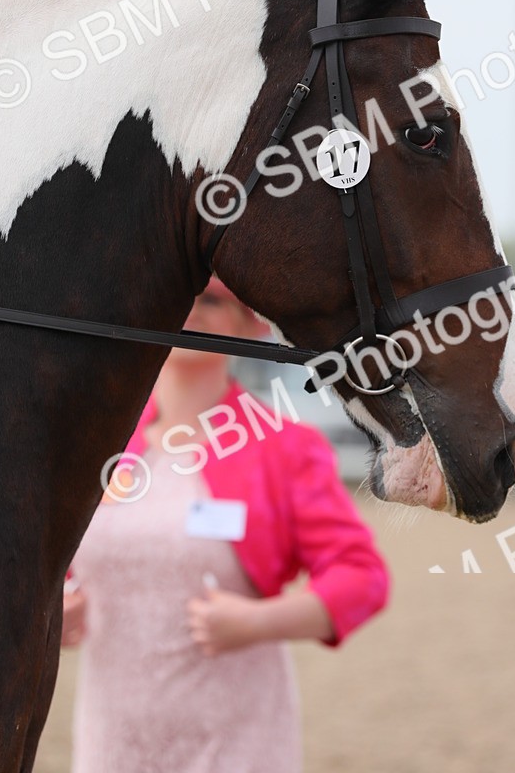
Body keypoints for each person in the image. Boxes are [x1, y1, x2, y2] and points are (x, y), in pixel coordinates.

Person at [61, 278, 389, 773]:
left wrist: (259, 622)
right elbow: (55, 566)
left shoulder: (286, 448)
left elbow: (362, 577)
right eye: (176, 292)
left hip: (236, 742)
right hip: (111, 740)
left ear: (247, 325)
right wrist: (55, 610)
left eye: (210, 300)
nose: (186, 308)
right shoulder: (100, 443)